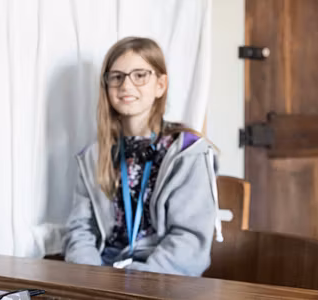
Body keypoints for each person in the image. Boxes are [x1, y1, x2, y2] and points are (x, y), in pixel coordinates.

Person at [63, 37, 220, 276]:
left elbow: (189, 240)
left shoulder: (188, 152)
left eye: (139, 75)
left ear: (160, 84)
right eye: (117, 77)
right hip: (102, 276)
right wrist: (92, 280)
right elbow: (80, 230)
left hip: (162, 277)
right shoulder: (94, 154)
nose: (126, 86)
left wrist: (135, 283)